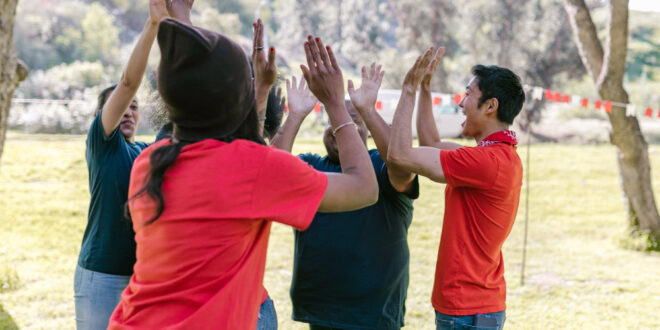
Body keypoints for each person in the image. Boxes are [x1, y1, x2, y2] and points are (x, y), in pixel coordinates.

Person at [107, 17, 378, 330]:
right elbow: (363, 188)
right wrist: (334, 104)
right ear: (235, 100)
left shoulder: (150, 161)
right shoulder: (253, 168)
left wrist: (259, 90)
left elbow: (238, 148)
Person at [271, 64, 419, 329]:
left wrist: (368, 110)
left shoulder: (380, 165)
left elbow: (403, 165)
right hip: (320, 311)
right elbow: (271, 175)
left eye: (353, 122)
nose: (342, 128)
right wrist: (294, 116)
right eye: (336, 119)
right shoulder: (311, 166)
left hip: (373, 315)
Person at [388, 47, 525, 330]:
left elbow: (399, 154)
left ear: (490, 106)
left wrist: (409, 90)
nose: (461, 104)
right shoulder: (497, 155)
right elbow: (430, 144)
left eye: (468, 95)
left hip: (467, 310)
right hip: (477, 306)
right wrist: (425, 89)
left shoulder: (486, 162)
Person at [74, 1, 170, 328]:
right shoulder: (103, 146)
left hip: (143, 277)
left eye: (135, 107)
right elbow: (128, 84)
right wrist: (153, 25)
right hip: (100, 276)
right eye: (121, 107)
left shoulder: (150, 152)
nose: (128, 110)